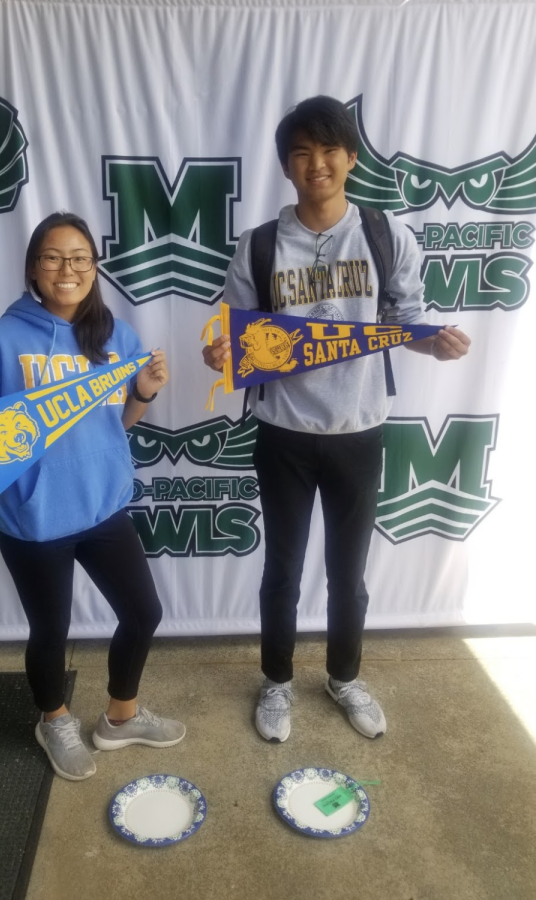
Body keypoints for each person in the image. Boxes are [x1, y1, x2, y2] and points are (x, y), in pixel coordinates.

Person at [203, 96, 471, 744]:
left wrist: (430, 342)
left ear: (350, 158)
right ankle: (275, 681)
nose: (316, 164)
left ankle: (343, 677)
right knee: (282, 571)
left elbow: (403, 324)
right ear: (286, 166)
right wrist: (216, 348)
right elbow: (231, 334)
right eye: (301, 153)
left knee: (348, 576)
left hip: (358, 429)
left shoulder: (384, 236)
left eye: (328, 150)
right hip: (283, 433)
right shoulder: (260, 245)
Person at [0, 211, 185, 780]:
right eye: (53, 257)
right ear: (33, 267)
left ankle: (120, 718)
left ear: (94, 267)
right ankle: (53, 718)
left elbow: (119, 425)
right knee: (50, 630)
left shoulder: (113, 335)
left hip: (103, 506)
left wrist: (144, 395)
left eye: (80, 258)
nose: (67, 269)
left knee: (143, 612)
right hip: (33, 517)